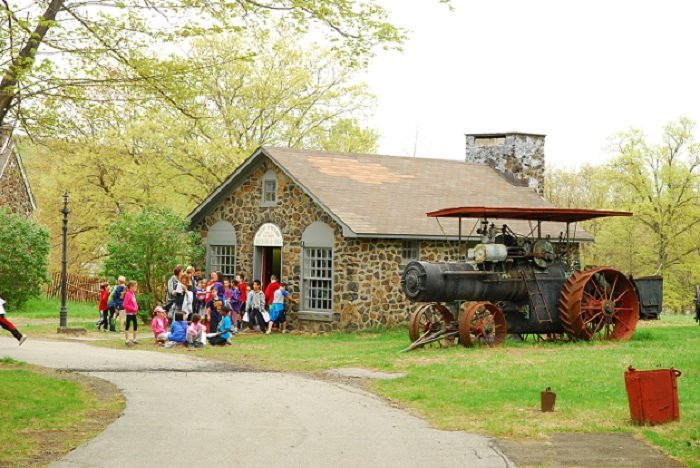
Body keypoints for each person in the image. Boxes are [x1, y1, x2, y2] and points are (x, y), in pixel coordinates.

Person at [123, 280, 140, 346]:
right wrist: (132, 308)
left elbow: (134, 302)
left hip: (134, 313)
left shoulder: (132, 294)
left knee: (135, 326)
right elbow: (125, 304)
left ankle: (134, 339)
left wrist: (137, 307)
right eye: (135, 287)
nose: (136, 288)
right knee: (127, 326)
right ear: (131, 287)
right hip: (129, 313)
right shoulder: (128, 294)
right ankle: (127, 340)